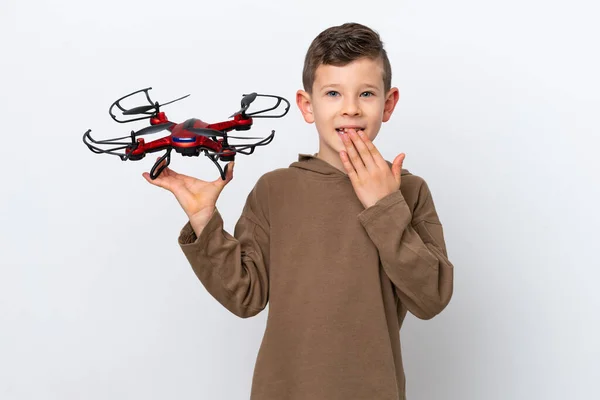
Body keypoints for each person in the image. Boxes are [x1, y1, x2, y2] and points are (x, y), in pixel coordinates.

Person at [143, 22, 454, 400]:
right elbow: (246, 296)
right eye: (333, 93)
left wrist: (384, 205)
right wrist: (204, 220)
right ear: (308, 105)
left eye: (367, 93)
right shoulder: (275, 190)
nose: (351, 108)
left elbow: (431, 297)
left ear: (388, 104)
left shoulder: (408, 190)